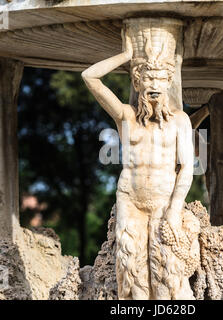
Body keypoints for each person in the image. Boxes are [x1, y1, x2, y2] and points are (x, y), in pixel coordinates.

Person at [82, 31, 195, 299]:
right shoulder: (126, 116)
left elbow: (187, 167)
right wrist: (125, 56)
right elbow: (90, 77)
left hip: (163, 200)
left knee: (165, 273)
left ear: (168, 82)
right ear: (137, 81)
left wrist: (174, 209)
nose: (154, 83)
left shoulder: (180, 120)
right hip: (130, 198)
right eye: (147, 78)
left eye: (159, 78)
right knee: (130, 269)